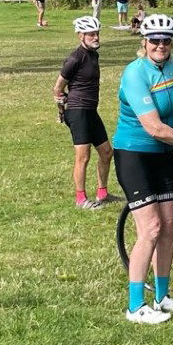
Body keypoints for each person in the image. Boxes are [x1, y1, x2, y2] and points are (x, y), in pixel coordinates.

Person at [112, 13, 173, 323]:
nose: (161, 45)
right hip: (135, 154)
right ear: (145, 41)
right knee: (150, 228)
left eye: (166, 40)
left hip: (165, 152)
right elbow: (153, 127)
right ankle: (135, 306)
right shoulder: (135, 74)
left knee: (168, 226)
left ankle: (162, 297)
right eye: (155, 40)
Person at [54, 15, 114, 209]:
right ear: (81, 36)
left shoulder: (93, 55)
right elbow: (58, 87)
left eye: (97, 33)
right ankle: (80, 199)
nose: (96, 37)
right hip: (78, 111)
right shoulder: (75, 58)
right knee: (83, 157)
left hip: (90, 111)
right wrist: (62, 107)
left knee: (106, 152)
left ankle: (102, 193)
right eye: (91, 34)